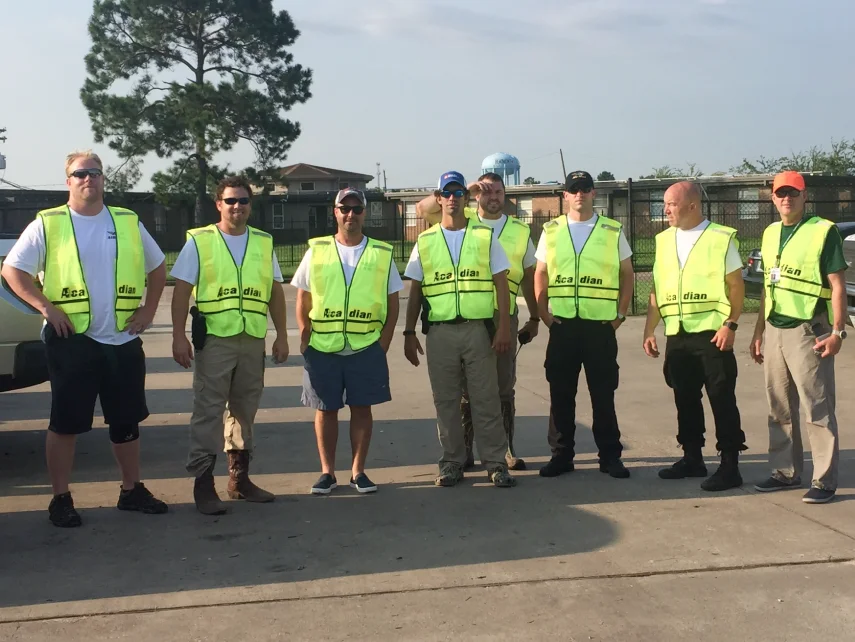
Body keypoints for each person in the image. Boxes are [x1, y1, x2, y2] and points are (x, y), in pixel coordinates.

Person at [1, 150, 168, 527]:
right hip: (72, 341)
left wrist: (148, 310)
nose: (88, 178)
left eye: (95, 172)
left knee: (126, 421)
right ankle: (60, 499)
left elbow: (158, 267)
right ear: (68, 181)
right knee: (66, 423)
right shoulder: (49, 223)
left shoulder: (126, 221)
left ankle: (131, 490)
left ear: (103, 179)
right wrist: (46, 308)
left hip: (122, 339)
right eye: (80, 174)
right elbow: (12, 271)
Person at [171, 175, 289, 516]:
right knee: (208, 411)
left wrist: (282, 334)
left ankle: (239, 479)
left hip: (251, 338)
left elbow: (274, 290)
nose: (238, 206)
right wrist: (178, 336)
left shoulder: (262, 242)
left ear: (251, 205)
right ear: (219, 205)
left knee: (244, 409)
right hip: (215, 339)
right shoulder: (200, 241)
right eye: (231, 201)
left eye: (243, 201)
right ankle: (203, 483)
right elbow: (181, 290)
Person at [415, 172, 539, 470]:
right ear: (476, 196)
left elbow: (529, 278)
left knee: (502, 387)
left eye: (498, 192)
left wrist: (534, 317)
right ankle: (464, 451)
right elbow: (422, 209)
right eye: (486, 191)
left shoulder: (519, 231)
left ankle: (504, 449)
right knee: (464, 390)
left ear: (505, 195)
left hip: (502, 315)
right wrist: (467, 187)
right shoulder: (463, 217)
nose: (492, 197)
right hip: (468, 315)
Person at [292, 188, 402, 495]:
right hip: (322, 347)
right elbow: (303, 296)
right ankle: (327, 472)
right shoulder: (317, 250)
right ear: (335, 212)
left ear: (364, 213)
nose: (350, 214)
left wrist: (383, 342)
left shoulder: (381, 253)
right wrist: (304, 335)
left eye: (357, 209)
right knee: (325, 409)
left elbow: (393, 302)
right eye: (345, 208)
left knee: (361, 408)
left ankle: (358, 472)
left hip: (365, 346)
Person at [749, 171, 847, 504]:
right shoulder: (770, 233)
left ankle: (824, 480)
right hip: (775, 328)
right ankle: (785, 472)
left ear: (805, 196)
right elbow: (768, 287)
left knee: (816, 406)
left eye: (793, 192)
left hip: (808, 329)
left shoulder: (823, 231)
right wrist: (759, 331)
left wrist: (837, 331)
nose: (786, 198)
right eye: (781, 193)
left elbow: (837, 285)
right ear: (773, 199)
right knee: (779, 406)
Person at [643, 181, 747, 491]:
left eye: (671, 204)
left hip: (713, 334)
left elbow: (736, 285)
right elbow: (657, 289)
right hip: (678, 334)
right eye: (664, 204)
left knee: (721, 398)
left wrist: (730, 324)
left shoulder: (720, 238)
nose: (665, 210)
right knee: (685, 398)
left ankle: (730, 466)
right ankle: (692, 458)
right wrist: (650, 329)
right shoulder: (663, 240)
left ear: (692, 206)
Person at [534, 170, 634, 479]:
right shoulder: (551, 230)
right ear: (565, 195)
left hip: (600, 328)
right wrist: (544, 314)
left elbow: (627, 274)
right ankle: (561, 456)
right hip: (563, 326)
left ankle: (610, 457)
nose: (580, 194)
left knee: (603, 396)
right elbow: (541, 273)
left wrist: (619, 316)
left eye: (585, 188)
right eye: (574, 189)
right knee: (560, 396)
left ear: (593, 193)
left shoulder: (611, 230)